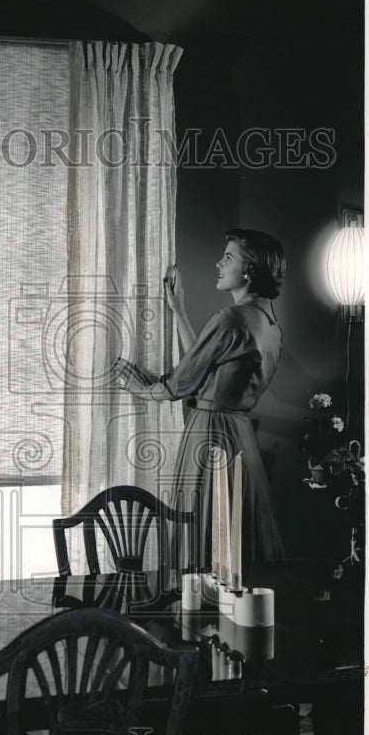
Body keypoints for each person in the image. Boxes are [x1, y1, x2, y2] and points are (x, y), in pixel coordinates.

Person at [116, 228, 286, 572]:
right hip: (239, 437)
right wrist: (178, 310)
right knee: (235, 530)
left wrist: (138, 389)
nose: (219, 264)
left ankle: (197, 609)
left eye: (228, 257)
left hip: (209, 434)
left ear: (250, 269)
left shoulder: (232, 319)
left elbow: (181, 384)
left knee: (205, 530)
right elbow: (205, 363)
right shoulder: (268, 324)